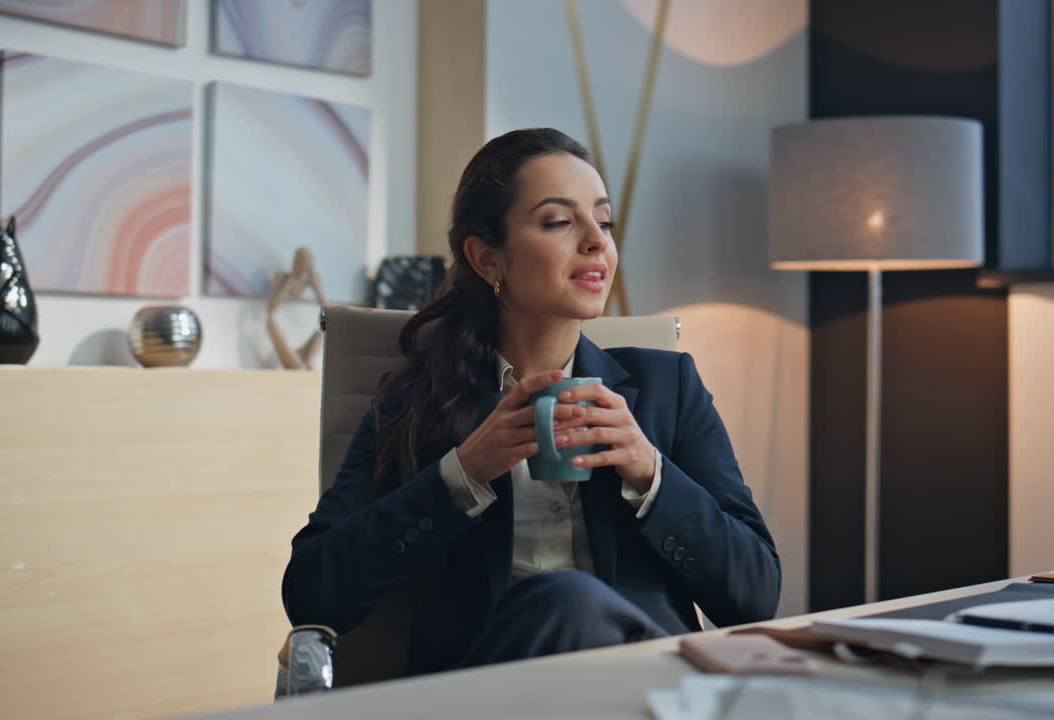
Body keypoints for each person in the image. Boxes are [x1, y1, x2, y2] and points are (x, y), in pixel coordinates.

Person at [282, 128, 780, 677]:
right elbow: (313, 592)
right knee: (564, 600)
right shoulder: (413, 401)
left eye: (604, 221)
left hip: (646, 685)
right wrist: (462, 473)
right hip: (494, 690)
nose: (596, 242)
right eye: (559, 221)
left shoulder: (668, 387)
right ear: (487, 258)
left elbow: (755, 594)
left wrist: (650, 472)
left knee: (578, 603)